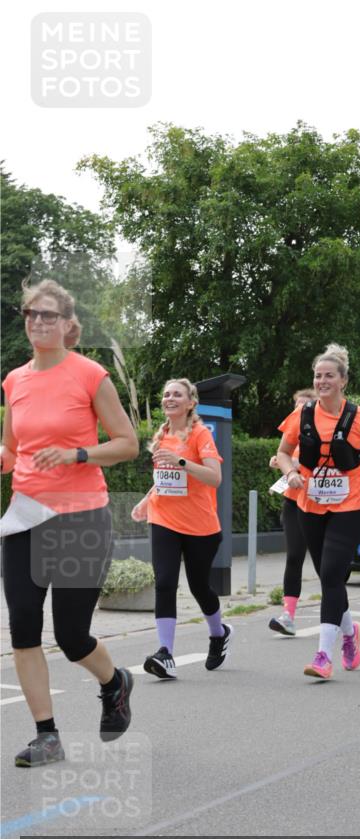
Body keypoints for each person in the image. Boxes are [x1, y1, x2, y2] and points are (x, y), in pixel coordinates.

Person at [1, 279, 139, 767]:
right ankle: (46, 735)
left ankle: (114, 681)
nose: (38, 322)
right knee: (22, 627)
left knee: (72, 635)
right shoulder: (14, 381)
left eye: (49, 315)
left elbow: (127, 442)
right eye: (31, 314)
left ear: (68, 323)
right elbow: (13, 451)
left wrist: (79, 452)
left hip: (81, 517)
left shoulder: (89, 375)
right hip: (24, 519)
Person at [276, 343, 360, 680]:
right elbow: (283, 452)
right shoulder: (302, 415)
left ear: (343, 380)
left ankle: (324, 655)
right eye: (317, 376)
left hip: (351, 505)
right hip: (309, 505)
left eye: (329, 376)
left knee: (330, 575)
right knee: (331, 579)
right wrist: (290, 473)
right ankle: (350, 634)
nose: (322, 380)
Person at [131, 379, 232, 678]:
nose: (169, 398)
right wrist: (146, 500)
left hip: (200, 525)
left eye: (177, 394)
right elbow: (164, 477)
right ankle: (165, 653)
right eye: (166, 394)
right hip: (164, 519)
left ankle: (219, 633)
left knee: (199, 586)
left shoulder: (201, 435)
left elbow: (215, 478)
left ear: (190, 403)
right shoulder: (161, 434)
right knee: (164, 583)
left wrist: (181, 460)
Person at [268, 387, 317, 636]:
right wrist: (280, 462)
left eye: (304, 405)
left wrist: (296, 464)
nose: (299, 410)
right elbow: (284, 456)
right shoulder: (291, 434)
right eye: (296, 405)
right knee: (294, 556)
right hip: (293, 501)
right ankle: (288, 615)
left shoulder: (321, 433)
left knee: (324, 563)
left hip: (321, 504)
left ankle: (340, 611)